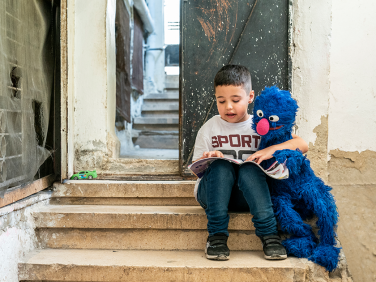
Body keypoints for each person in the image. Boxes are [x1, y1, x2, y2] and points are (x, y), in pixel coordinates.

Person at [192, 65, 308, 261]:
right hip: (215, 195)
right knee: (220, 166)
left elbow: (302, 144)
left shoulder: (260, 126)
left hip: (252, 195)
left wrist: (268, 150)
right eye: (221, 101)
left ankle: (270, 236)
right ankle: (217, 237)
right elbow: (196, 169)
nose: (228, 106)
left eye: (235, 100)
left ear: (250, 97)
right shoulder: (210, 127)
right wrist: (208, 158)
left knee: (250, 169)